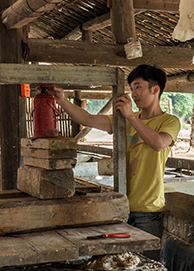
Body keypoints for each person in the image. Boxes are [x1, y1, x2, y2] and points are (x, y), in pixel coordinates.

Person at [49, 65, 180, 238]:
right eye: (132, 88)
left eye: (138, 87)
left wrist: (131, 117)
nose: (134, 94)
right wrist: (61, 100)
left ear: (155, 89)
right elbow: (86, 119)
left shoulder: (169, 121)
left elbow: (158, 143)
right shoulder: (123, 121)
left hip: (148, 210)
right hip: (121, 206)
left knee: (147, 263)